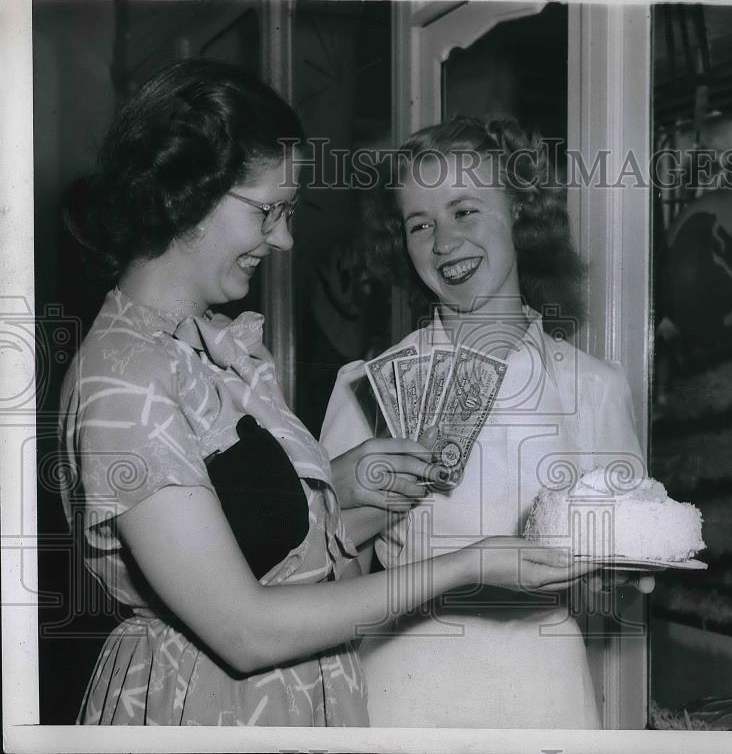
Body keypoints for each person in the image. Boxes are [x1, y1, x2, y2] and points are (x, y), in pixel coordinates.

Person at [58, 60, 593, 727]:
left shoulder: (205, 348)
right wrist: (468, 564)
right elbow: (245, 628)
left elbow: (264, 549)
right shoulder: (124, 376)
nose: (285, 239)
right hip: (205, 708)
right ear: (186, 192)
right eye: (271, 211)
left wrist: (346, 488)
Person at [320, 116, 647, 728]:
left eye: (464, 211)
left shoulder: (595, 388)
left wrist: (622, 571)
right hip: (403, 684)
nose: (443, 242)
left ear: (521, 211)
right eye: (420, 224)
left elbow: (613, 585)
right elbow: (330, 573)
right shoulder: (368, 387)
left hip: (544, 688)